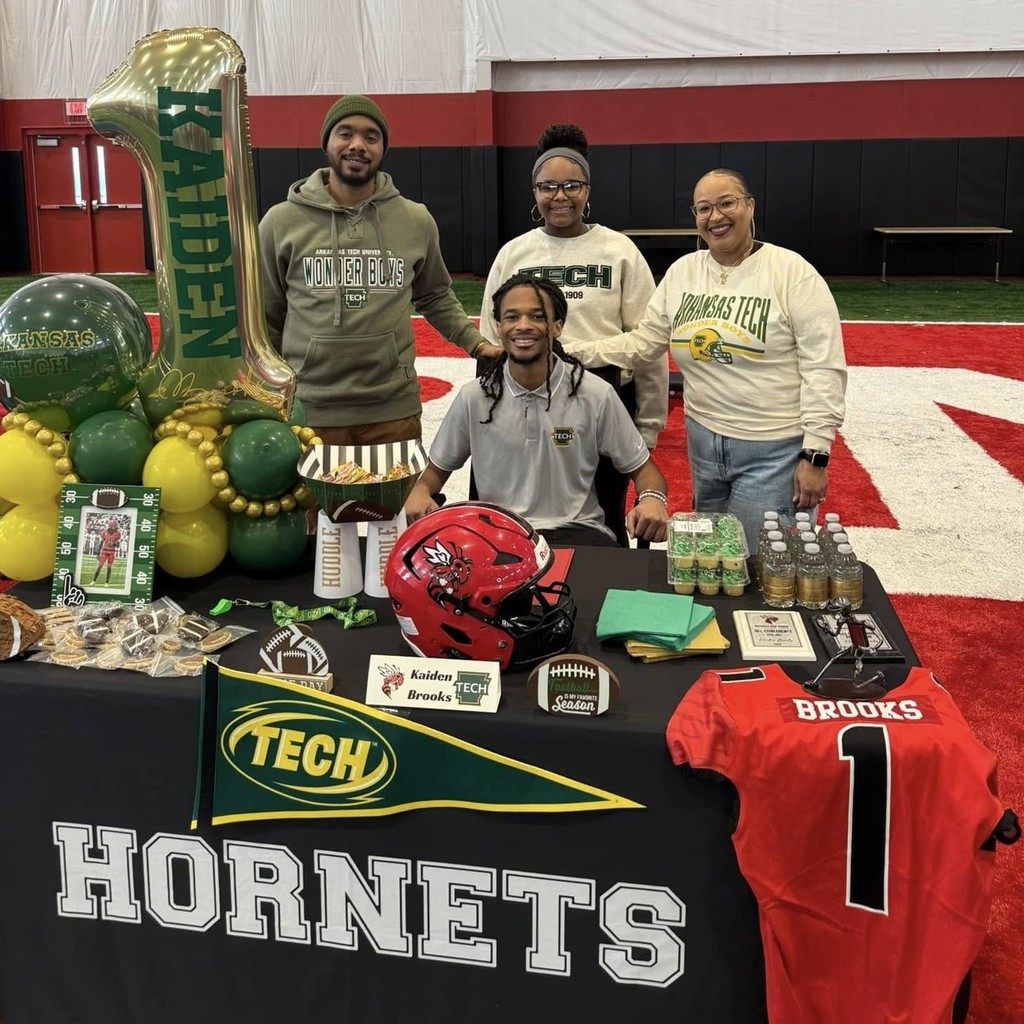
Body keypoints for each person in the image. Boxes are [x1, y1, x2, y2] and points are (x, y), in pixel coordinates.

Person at [567, 167, 847, 551]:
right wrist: (574, 351)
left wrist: (816, 454)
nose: (715, 217)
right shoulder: (684, 272)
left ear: (750, 206)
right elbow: (645, 343)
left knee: (758, 563)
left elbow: (824, 365)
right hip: (704, 444)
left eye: (726, 203)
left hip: (773, 450)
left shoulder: (792, 273)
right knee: (712, 558)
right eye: (703, 208)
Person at [258, 95, 502, 445]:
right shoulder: (281, 222)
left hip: (392, 410)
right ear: (326, 142)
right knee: (313, 503)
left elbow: (435, 296)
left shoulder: (415, 219)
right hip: (308, 411)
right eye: (345, 134)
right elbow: (267, 316)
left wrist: (476, 345)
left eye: (371, 137)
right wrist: (273, 397)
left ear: (382, 150)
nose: (358, 145)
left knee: (392, 502)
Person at [479, 124, 667, 544]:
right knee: (520, 518)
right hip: (524, 402)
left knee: (602, 521)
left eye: (570, 185)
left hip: (603, 401)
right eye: (548, 186)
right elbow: (493, 340)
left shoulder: (618, 250)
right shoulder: (514, 253)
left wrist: (648, 427)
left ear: (587, 189)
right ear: (534, 192)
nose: (559, 196)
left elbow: (649, 345)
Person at [404, 274, 669, 548]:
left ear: (557, 326)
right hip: (497, 538)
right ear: (498, 328)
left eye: (537, 316)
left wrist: (652, 499)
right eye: (511, 317)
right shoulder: (473, 397)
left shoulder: (595, 394)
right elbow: (434, 474)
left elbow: (646, 471)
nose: (523, 326)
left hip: (579, 534)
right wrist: (421, 491)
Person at [92, 518, 122, 585]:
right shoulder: (104, 532)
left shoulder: (117, 534)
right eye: (114, 525)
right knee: (99, 566)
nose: (116, 527)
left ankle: (106, 582)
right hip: (104, 551)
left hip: (112, 552)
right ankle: (94, 581)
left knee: (109, 567)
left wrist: (114, 543)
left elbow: (118, 545)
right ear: (111, 526)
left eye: (115, 525)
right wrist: (97, 553)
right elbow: (101, 543)